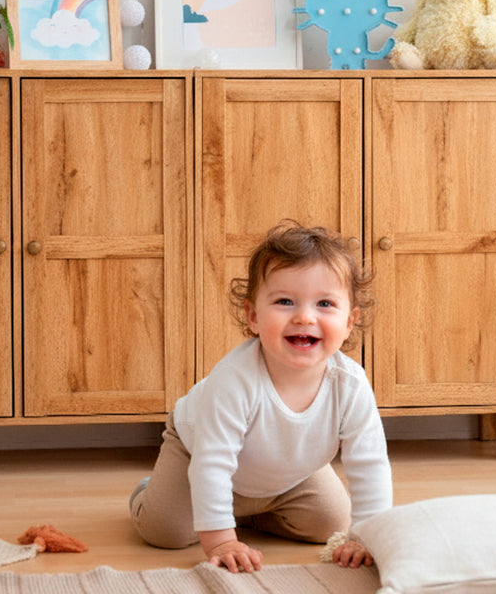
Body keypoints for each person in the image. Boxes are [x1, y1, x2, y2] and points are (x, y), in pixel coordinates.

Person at [129, 221, 392, 573]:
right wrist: (221, 539)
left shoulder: (351, 385)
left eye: (325, 303)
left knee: (332, 523)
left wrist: (366, 537)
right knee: (166, 531)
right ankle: (149, 492)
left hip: (288, 471)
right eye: (285, 301)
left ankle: (251, 511)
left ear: (349, 322)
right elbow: (213, 462)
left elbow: (370, 463)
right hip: (197, 450)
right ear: (253, 316)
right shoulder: (235, 379)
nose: (304, 316)